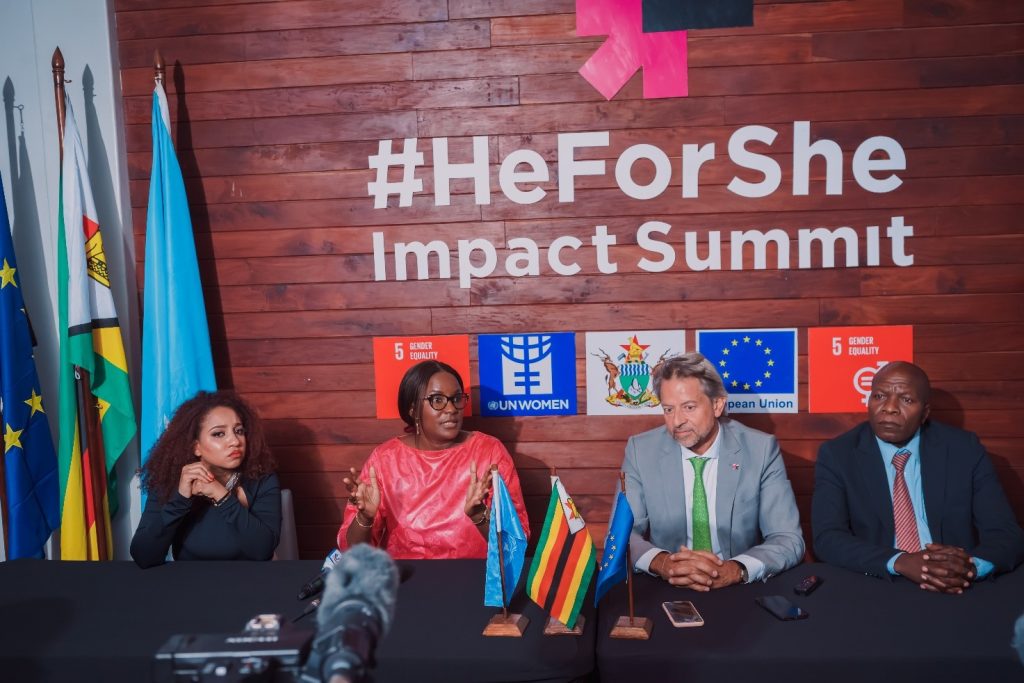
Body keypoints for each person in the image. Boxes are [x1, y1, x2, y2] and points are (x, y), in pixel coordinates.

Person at [813, 361, 1024, 592]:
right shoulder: (838, 454)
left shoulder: (963, 449)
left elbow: (1006, 533)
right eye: (880, 396)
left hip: (954, 585)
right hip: (878, 584)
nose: (889, 408)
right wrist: (900, 561)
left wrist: (969, 567)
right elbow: (828, 538)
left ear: (925, 413)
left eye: (906, 400)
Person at [622, 353, 804, 591]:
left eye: (688, 407)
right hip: (667, 585)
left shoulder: (760, 450)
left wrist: (736, 568)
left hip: (737, 587)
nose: (676, 421)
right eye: (668, 409)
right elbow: (622, 535)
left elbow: (788, 538)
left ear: (717, 404)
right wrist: (663, 563)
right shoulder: (640, 451)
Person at [339, 360, 528, 559]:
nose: (451, 409)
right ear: (413, 409)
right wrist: (365, 517)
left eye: (456, 398)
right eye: (437, 400)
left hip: (476, 577)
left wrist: (480, 517)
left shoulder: (489, 453)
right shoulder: (385, 459)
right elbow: (353, 552)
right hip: (406, 579)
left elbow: (516, 544)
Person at [131, 391, 281, 568]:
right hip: (190, 586)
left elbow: (262, 550)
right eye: (219, 434)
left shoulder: (262, 479)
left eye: (239, 431)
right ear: (196, 447)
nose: (235, 441)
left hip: (249, 583)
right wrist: (180, 500)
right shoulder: (171, 481)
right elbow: (144, 556)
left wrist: (221, 495)